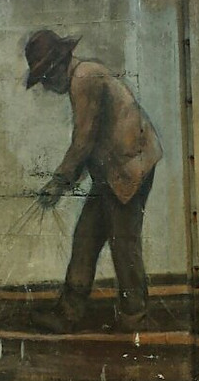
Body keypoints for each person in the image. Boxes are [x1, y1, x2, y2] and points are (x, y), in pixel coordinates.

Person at [24, 29, 163, 332]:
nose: (46, 88)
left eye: (44, 79)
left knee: (123, 244)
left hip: (129, 168)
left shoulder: (85, 78)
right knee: (86, 237)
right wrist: (63, 183)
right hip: (112, 170)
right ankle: (69, 312)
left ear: (56, 67)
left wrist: (58, 183)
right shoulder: (83, 78)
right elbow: (91, 145)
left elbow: (83, 141)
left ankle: (134, 319)